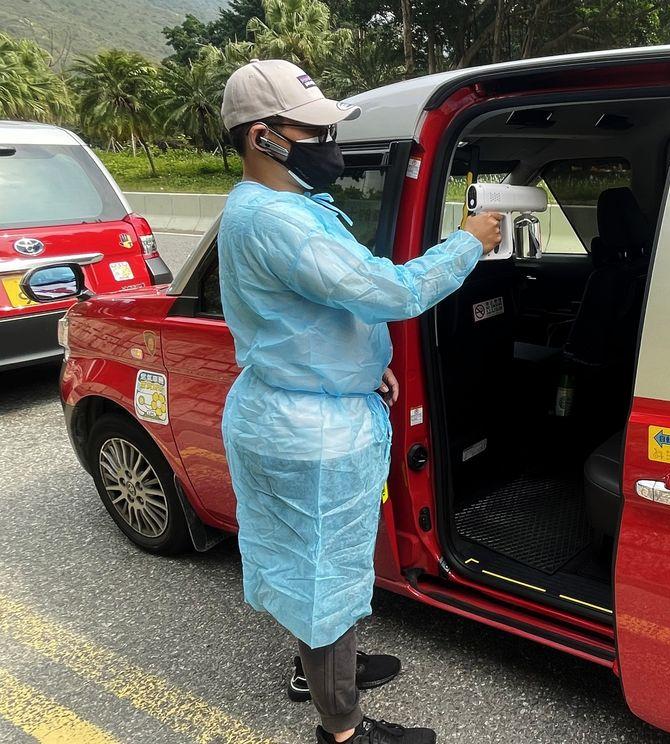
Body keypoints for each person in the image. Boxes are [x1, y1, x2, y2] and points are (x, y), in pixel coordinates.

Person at [217, 58, 502, 744]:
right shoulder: (280, 221)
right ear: (265, 136)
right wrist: (469, 243)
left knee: (315, 566)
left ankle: (315, 665)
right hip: (307, 431)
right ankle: (342, 728)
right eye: (313, 130)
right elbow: (389, 292)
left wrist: (362, 368)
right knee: (321, 577)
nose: (329, 144)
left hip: (301, 406)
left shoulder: (276, 206)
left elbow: (310, 317)